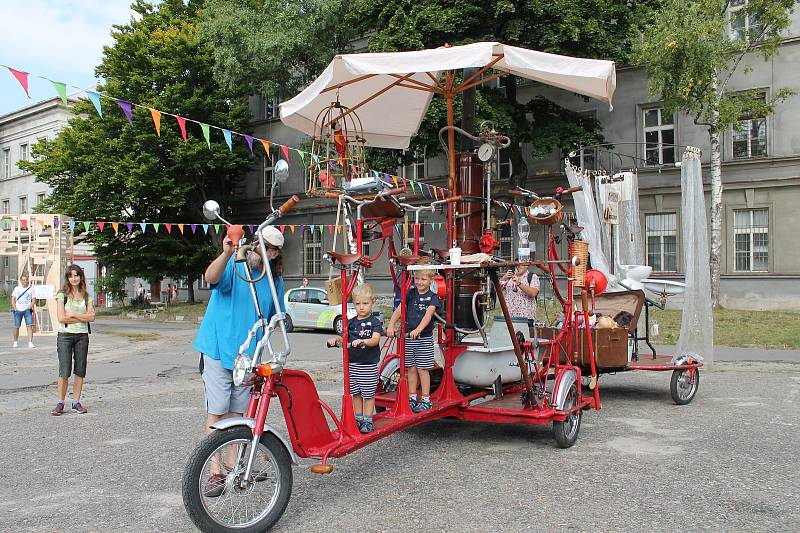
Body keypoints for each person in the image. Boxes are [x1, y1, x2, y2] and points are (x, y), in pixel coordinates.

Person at [192, 226, 285, 497]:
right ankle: (214, 472)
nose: (265, 252)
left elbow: (277, 315)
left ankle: (234, 467)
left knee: (239, 414)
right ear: (255, 243)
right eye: (262, 245)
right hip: (218, 349)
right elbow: (210, 277)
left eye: (272, 249)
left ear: (277, 253)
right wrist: (226, 253)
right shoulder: (236, 264)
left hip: (247, 357)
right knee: (217, 410)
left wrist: (281, 322)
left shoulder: (274, 280)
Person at [327, 283, 382, 433]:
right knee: (356, 393)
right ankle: (358, 418)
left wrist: (363, 341)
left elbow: (376, 339)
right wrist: (336, 341)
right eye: (358, 304)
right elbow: (343, 338)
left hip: (368, 365)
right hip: (353, 365)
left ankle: (368, 420)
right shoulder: (350, 323)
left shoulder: (375, 323)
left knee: (368, 395)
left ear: (373, 302)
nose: (361, 307)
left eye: (365, 303)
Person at [386, 269, 441, 413]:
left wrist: (418, 329)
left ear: (431, 280)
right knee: (410, 368)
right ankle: (411, 397)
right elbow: (400, 309)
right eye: (417, 278)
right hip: (409, 337)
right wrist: (391, 324)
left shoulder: (433, 297)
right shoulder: (410, 294)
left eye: (423, 279)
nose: (419, 282)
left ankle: (425, 399)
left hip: (423, 338)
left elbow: (428, 316)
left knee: (422, 369)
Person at [51, 265, 95, 416]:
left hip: (82, 336)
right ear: (67, 278)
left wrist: (73, 316)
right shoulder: (61, 295)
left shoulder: (87, 296)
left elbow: (92, 317)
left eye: (76, 275)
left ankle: (76, 402)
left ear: (81, 277)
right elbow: (61, 318)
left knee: (80, 370)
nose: (74, 278)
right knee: (64, 370)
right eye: (71, 276)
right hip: (65, 336)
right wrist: (81, 317)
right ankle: (60, 403)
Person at [499, 264, 540, 333]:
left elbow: (533, 293)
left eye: (520, 265)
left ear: (526, 266)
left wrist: (519, 283)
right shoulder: (509, 277)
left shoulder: (532, 277)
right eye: (516, 265)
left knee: (523, 340)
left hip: (525, 318)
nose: (518, 267)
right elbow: (498, 290)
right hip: (508, 317)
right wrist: (503, 278)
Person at [11, 274, 35, 348]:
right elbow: (13, 299)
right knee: (16, 326)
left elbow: (34, 299)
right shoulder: (17, 288)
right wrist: (15, 308)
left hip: (27, 310)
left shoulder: (31, 289)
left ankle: (30, 342)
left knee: (29, 326)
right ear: (21, 281)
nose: (25, 281)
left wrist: (29, 307)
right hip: (18, 310)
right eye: (23, 280)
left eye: (26, 280)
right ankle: (15, 341)